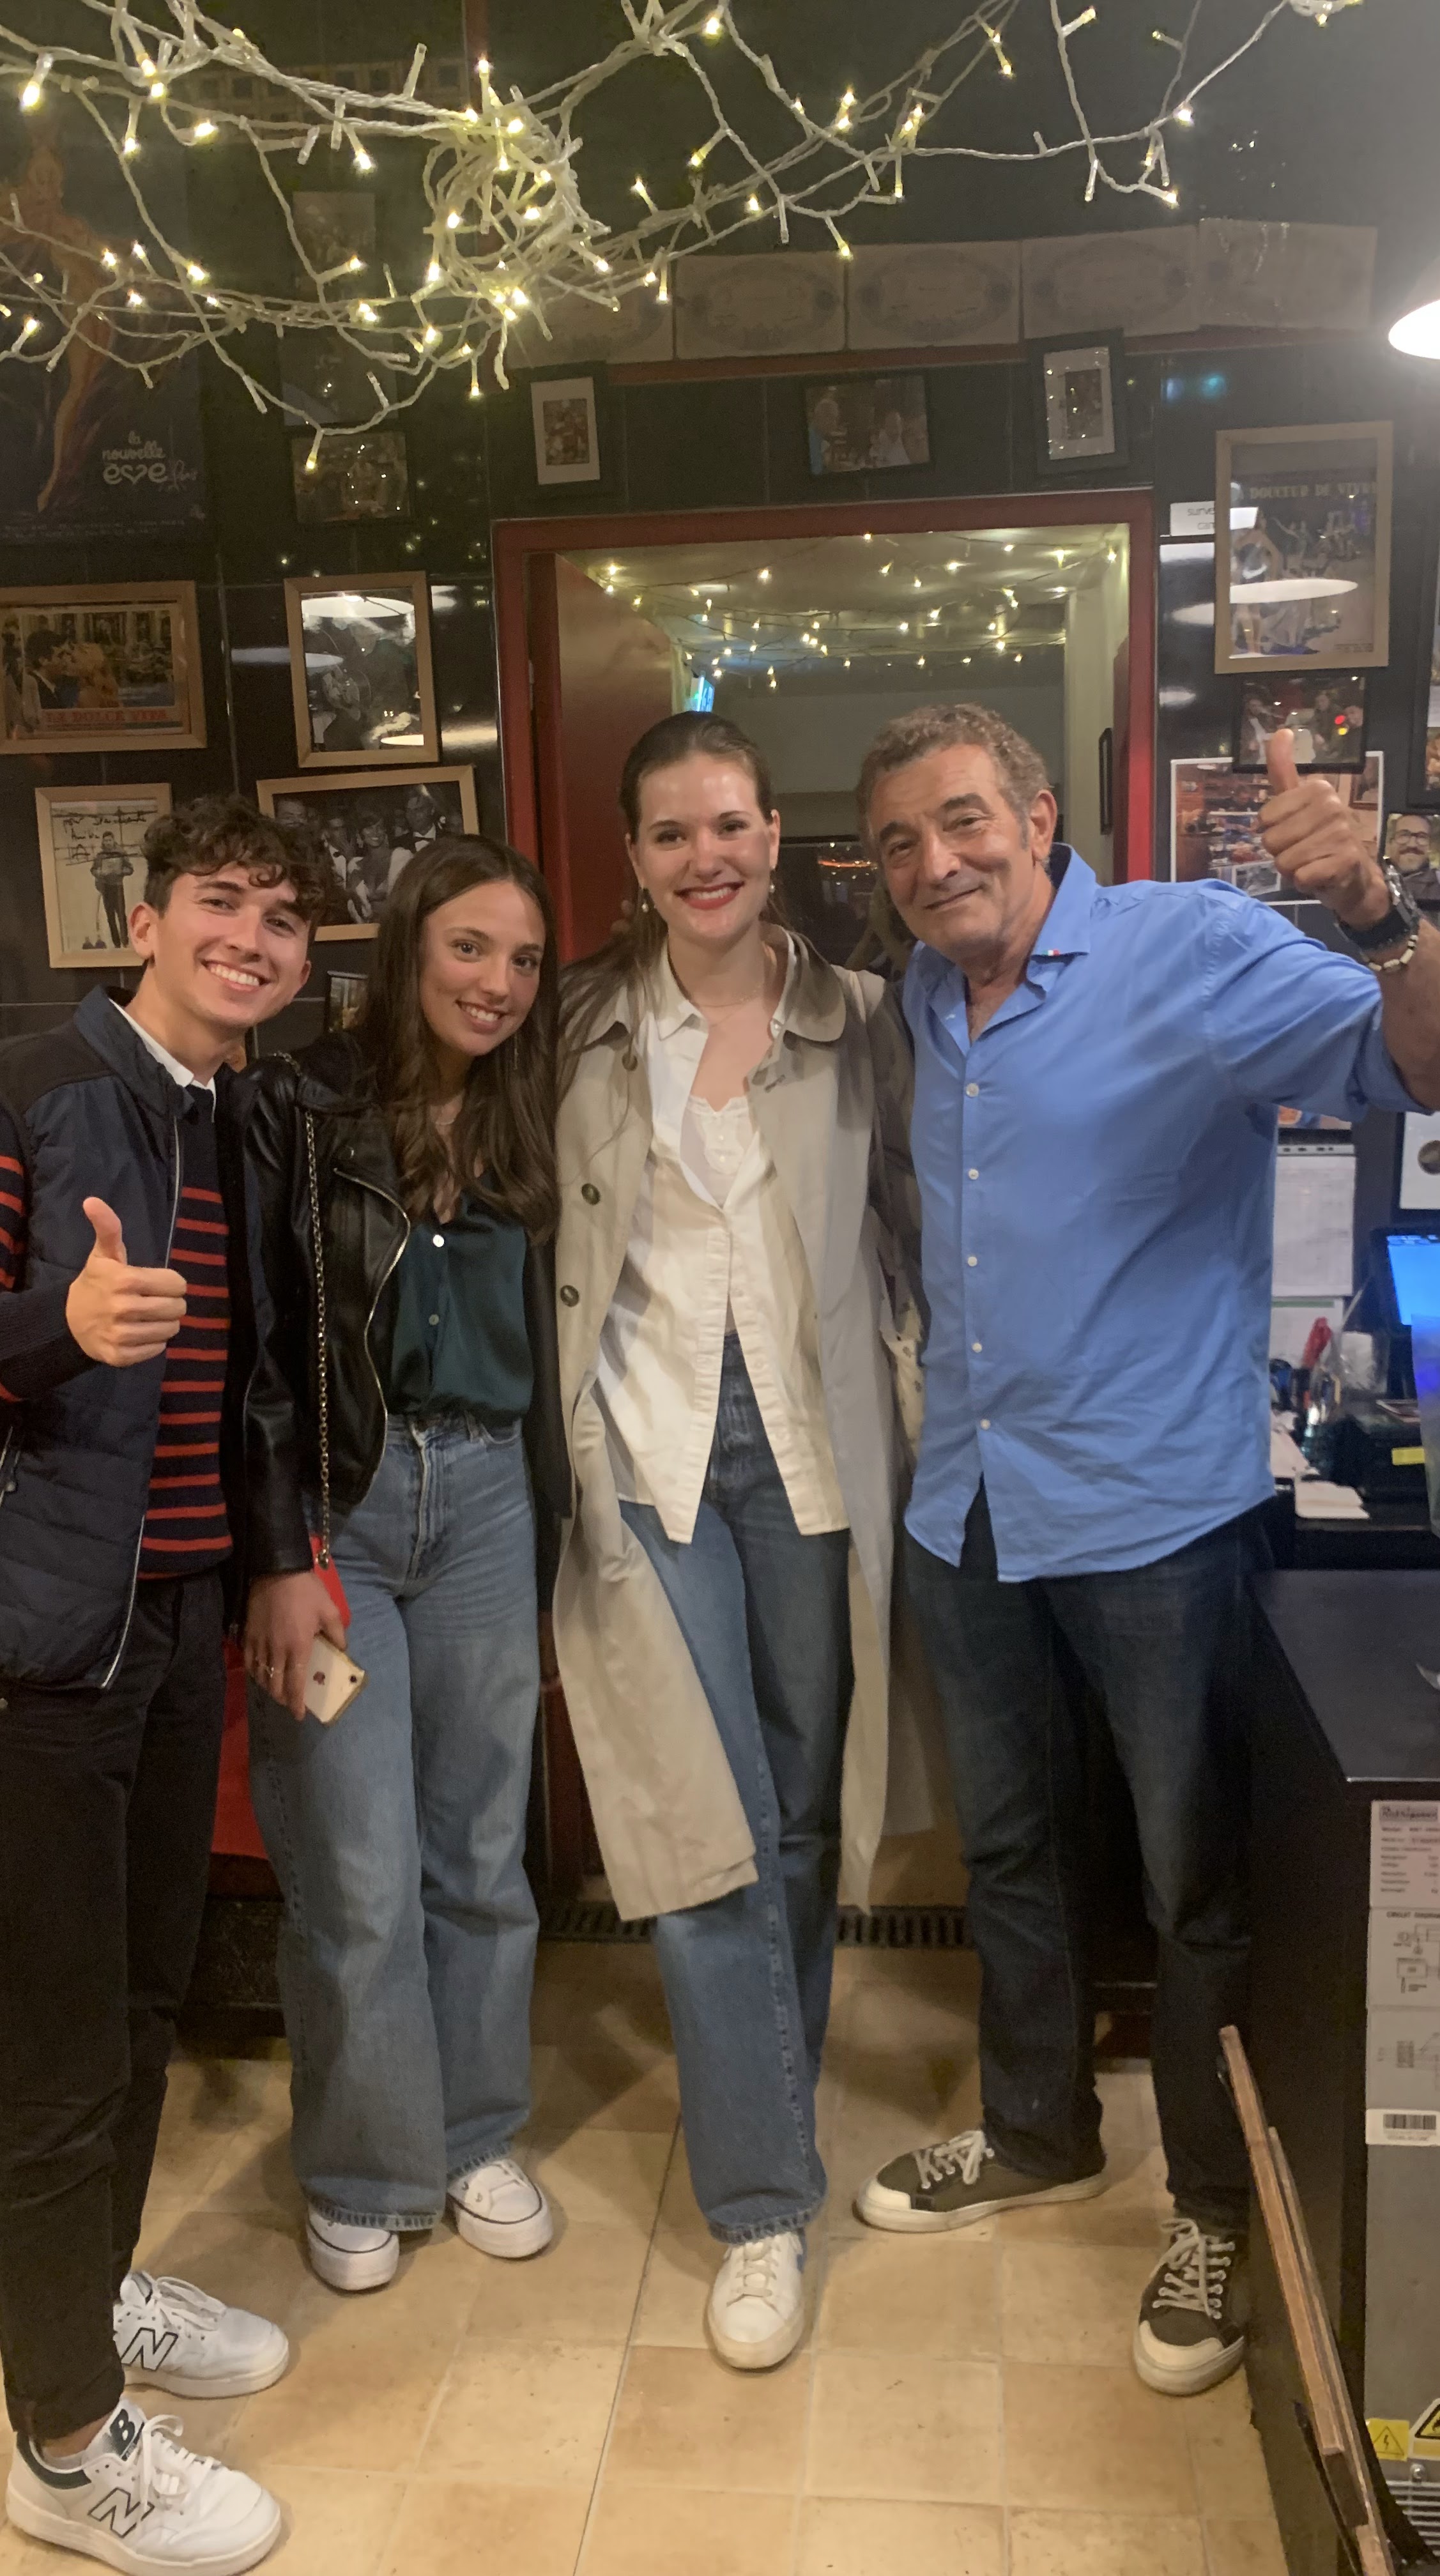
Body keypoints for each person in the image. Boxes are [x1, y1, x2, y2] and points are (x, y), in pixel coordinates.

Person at [850, 703, 1440, 2398]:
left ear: (1040, 817)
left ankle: (1208, 2206)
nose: (935, 863)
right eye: (897, 842)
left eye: (964, 820)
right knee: (1013, 1851)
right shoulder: (922, 1000)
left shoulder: (1185, 950)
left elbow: (1428, 1073)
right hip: (969, 1503)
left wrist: (1380, 913)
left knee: (1193, 1880)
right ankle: (1036, 2131)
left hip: (1156, 1514)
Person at [553, 711, 918, 2372]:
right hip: (650, 1464)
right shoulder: (574, 1031)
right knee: (705, 1827)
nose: (704, 857)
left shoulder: (862, 1023)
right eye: (670, 833)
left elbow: (927, 1221)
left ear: (775, 836)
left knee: (801, 1817)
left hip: (816, 1458)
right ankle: (763, 2203)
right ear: (634, 859)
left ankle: (766, 2086)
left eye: (729, 826)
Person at [0, 797, 332, 2573]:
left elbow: (259, 1377)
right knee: (56, 2050)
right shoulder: (37, 1087)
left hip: (179, 1616)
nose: (250, 940)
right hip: (42, 1639)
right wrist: (53, 1331)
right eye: (222, 902)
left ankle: (94, 2289)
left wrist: (274, 1561)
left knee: (144, 2002)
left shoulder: (240, 1115)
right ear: (145, 919)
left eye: (283, 920)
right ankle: (60, 2448)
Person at [242, 835, 571, 2295]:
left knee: (483, 1856)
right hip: (342, 1519)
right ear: (409, 947)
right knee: (355, 1867)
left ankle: (475, 2133)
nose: (497, 983)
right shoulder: (299, 1104)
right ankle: (367, 2166)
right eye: (469, 948)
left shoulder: (534, 1108)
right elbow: (262, 1346)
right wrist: (278, 1549)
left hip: (490, 1500)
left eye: (523, 959)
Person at [89, 831, 134, 949]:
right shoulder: (100, 856)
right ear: (103, 842)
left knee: (121, 914)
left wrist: (121, 871)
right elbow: (93, 870)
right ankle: (117, 944)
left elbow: (130, 869)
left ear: (114, 840)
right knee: (110, 916)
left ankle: (125, 941)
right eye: (106, 841)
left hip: (118, 887)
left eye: (110, 840)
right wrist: (99, 873)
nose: (108, 843)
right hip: (106, 887)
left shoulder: (121, 853)